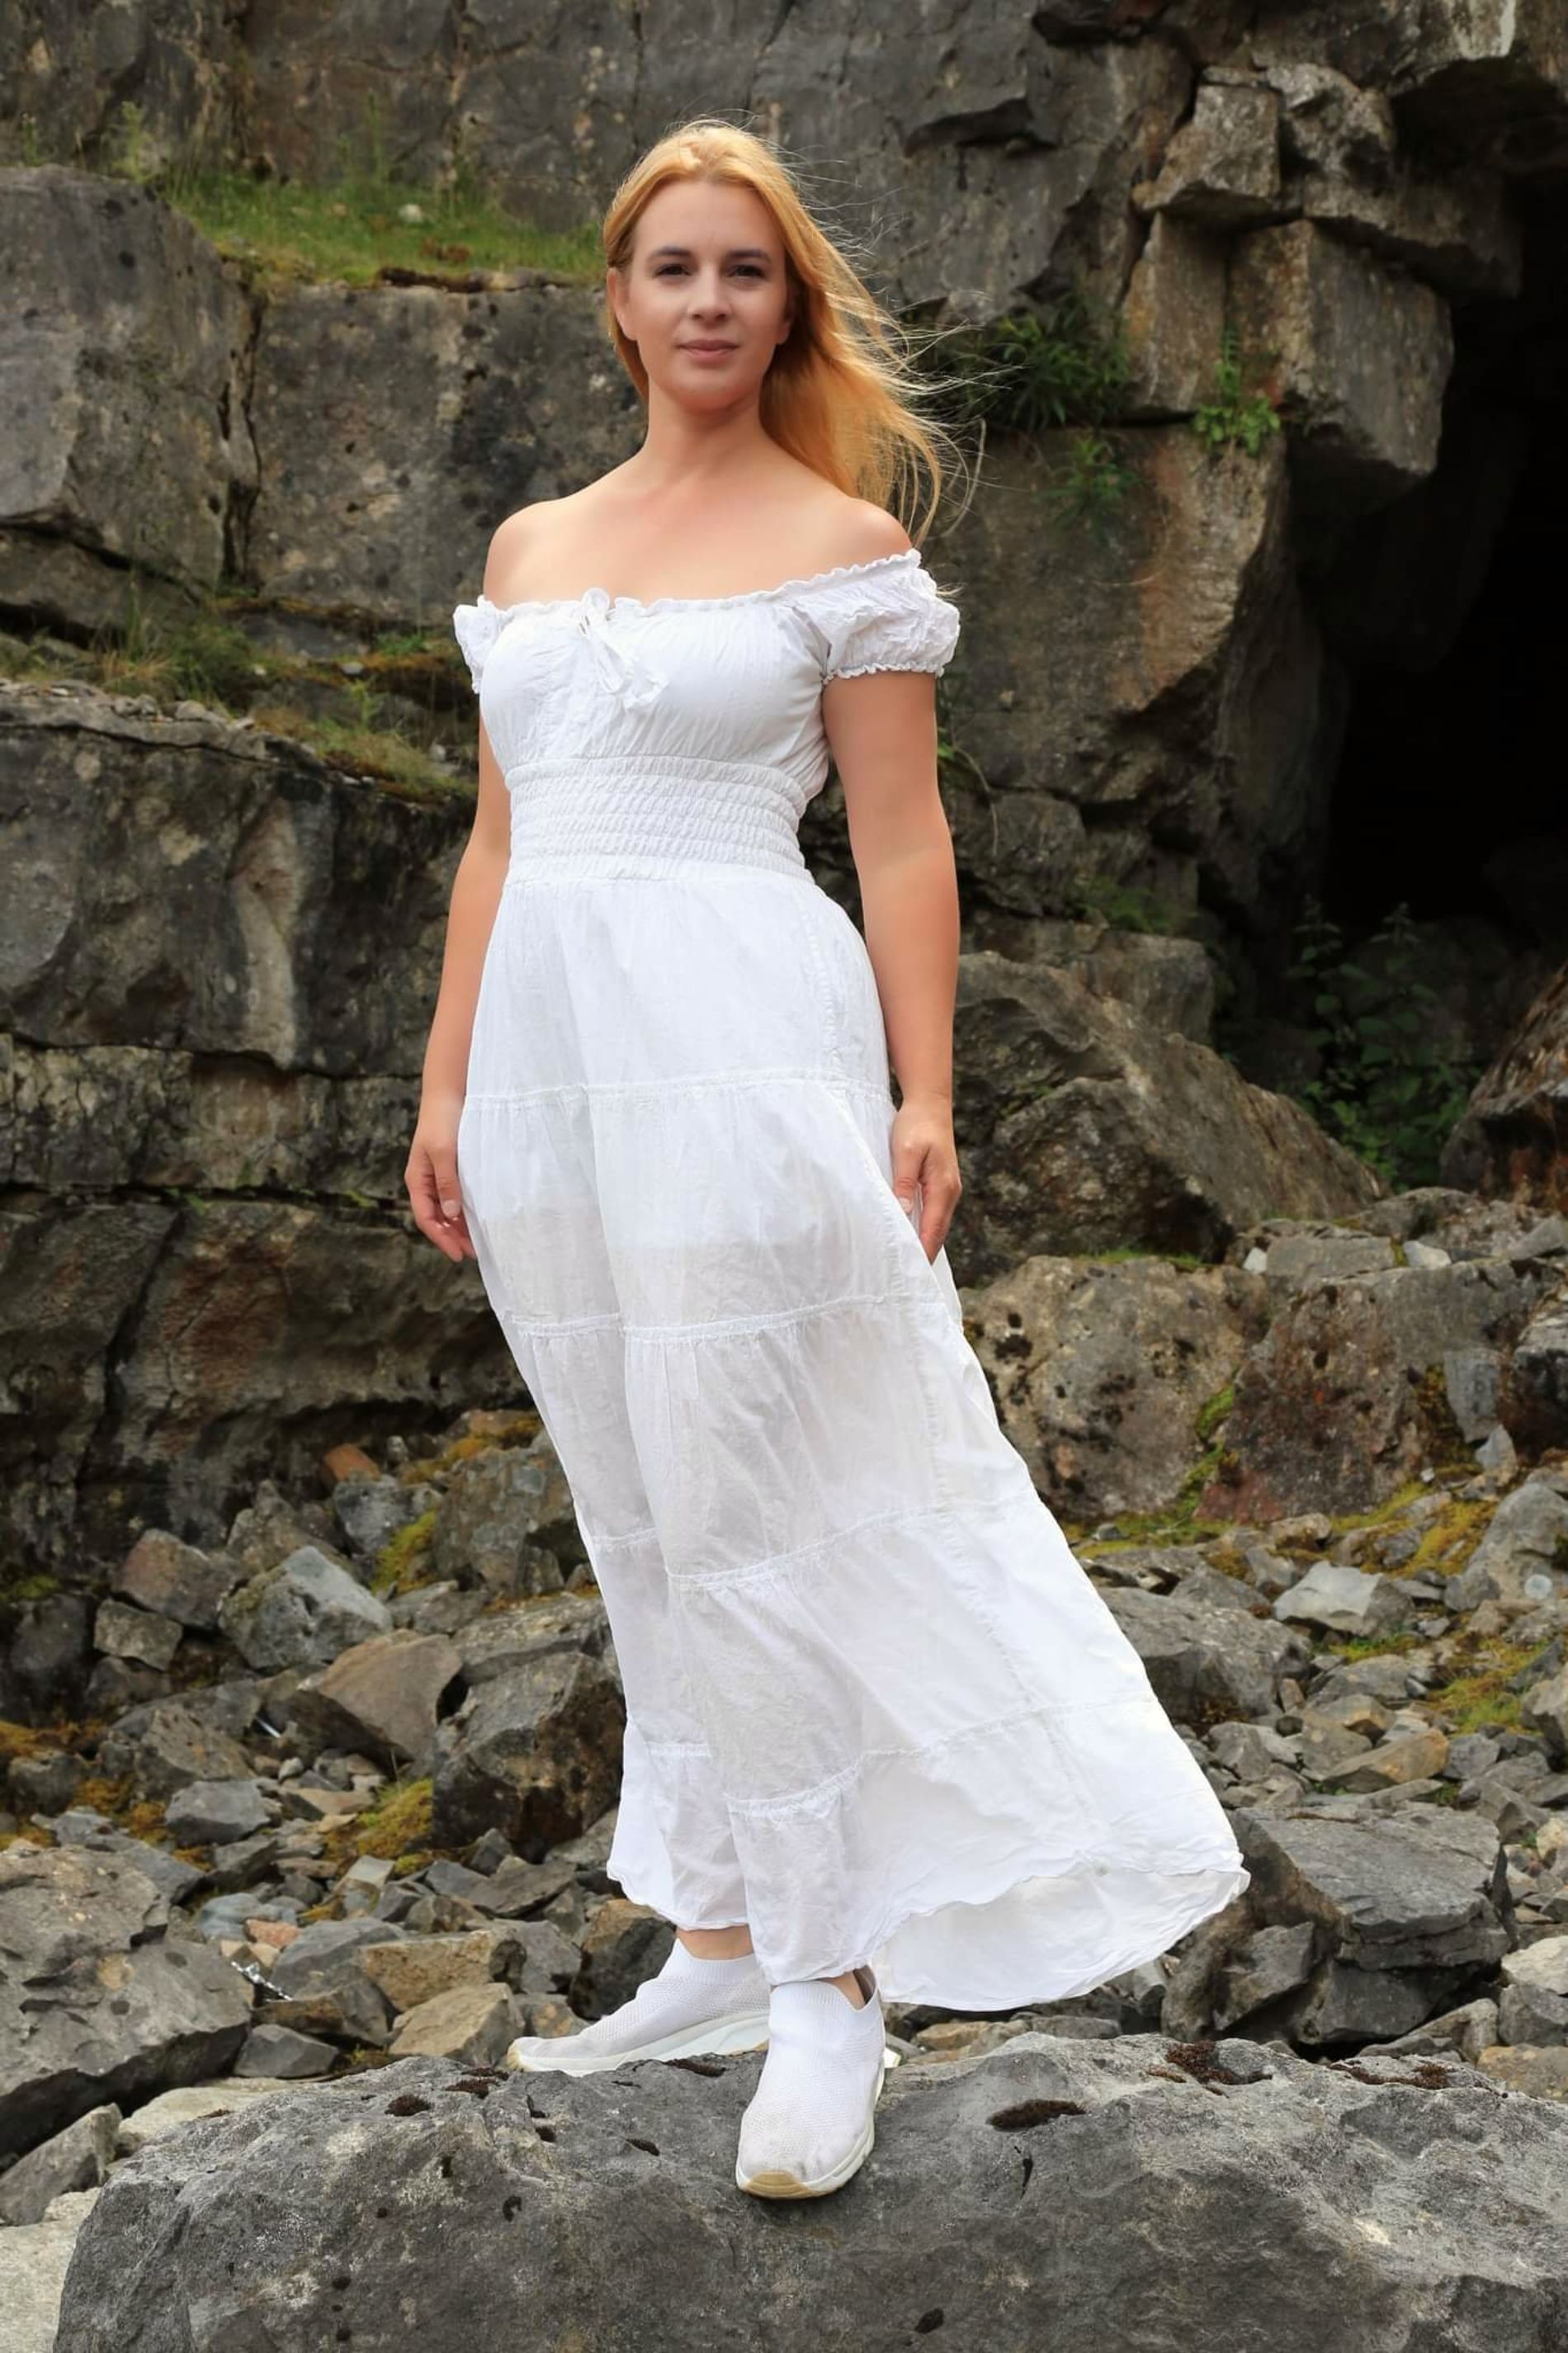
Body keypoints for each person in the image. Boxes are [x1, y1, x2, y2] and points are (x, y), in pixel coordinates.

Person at [409, 116, 1249, 2203]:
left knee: (752, 1495)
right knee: (636, 1499)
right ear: (617, 303)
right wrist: (441, 1092)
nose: (707, 301)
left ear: (787, 307)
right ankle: (711, 1935)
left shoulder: (840, 547)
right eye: (673, 267)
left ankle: (830, 1978)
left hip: (740, 1048)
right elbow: (499, 844)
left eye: (745, 270)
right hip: (548, 1078)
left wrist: (922, 1092)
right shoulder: (528, 546)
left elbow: (899, 842)